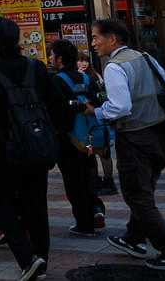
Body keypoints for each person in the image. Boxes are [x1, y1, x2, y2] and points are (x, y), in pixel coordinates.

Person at [85, 18, 165, 272]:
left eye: (95, 38)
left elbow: (120, 107)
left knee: (138, 196)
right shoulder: (144, 57)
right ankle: (133, 238)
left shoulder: (114, 67)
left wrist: (96, 112)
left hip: (135, 138)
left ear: (113, 39)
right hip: (160, 134)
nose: (92, 44)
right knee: (144, 191)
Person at [0, 17, 52, 281]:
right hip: (37, 144)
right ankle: (42, 259)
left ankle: (28, 258)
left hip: (3, 147)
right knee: (37, 205)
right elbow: (52, 105)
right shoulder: (37, 67)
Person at [46, 39, 107, 237]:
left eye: (51, 55)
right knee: (88, 174)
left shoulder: (56, 81)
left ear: (60, 58)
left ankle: (84, 223)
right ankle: (96, 210)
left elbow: (57, 112)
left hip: (68, 139)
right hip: (88, 136)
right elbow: (97, 103)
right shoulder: (86, 79)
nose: (49, 58)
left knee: (73, 180)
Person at [77, 52, 118, 195]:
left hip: (96, 119)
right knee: (91, 151)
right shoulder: (85, 77)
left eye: (86, 61)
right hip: (91, 121)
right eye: (80, 61)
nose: (83, 64)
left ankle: (107, 181)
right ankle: (96, 180)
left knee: (102, 151)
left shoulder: (93, 78)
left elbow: (100, 99)